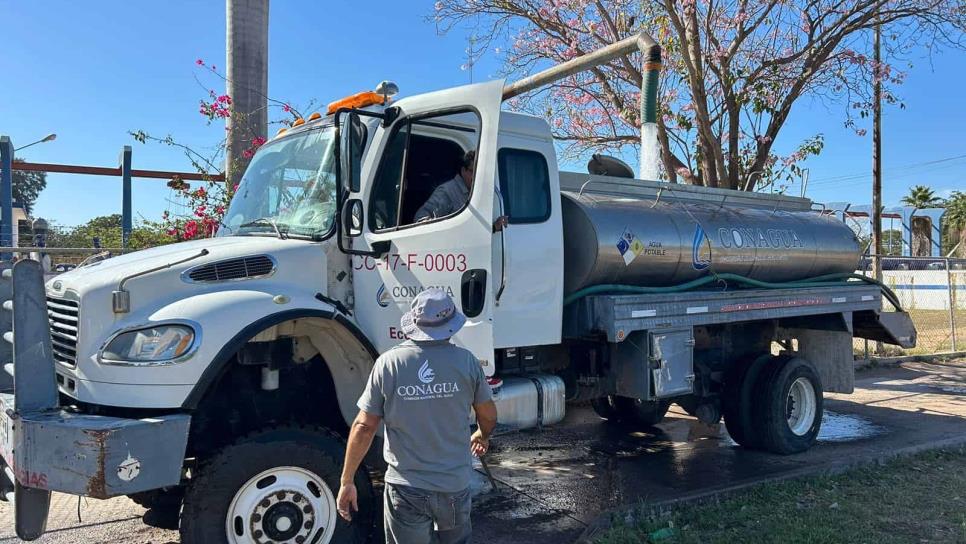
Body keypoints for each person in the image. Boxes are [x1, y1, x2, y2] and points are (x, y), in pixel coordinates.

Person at [337, 288, 498, 544]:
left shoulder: (389, 364)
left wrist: (347, 480)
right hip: (453, 486)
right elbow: (488, 415)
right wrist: (482, 434)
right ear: (450, 325)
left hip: (406, 487)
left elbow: (364, 426)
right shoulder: (467, 362)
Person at [414, 150, 509, 232]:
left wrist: (494, 227)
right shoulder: (447, 192)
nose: (477, 177)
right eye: (473, 172)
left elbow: (473, 230)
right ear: (463, 170)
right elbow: (419, 220)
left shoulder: (477, 193)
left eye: (480, 173)